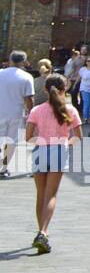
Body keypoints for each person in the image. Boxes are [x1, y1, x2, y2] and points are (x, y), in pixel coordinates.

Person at [26, 74, 83, 253]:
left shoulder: (36, 110)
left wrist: (42, 141)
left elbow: (28, 137)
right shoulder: (70, 110)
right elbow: (78, 137)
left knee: (41, 195)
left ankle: (41, 232)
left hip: (40, 150)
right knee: (51, 196)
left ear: (45, 90)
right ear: (64, 89)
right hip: (59, 150)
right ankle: (43, 232)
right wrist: (65, 143)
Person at [0, 51, 36, 180]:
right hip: (15, 112)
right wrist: (31, 113)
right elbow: (29, 98)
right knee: (12, 141)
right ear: (23, 62)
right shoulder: (26, 77)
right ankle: (3, 168)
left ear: (10, 59)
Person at [76, 52, 90, 127]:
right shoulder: (83, 69)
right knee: (87, 103)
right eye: (88, 61)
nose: (89, 62)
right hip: (85, 89)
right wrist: (75, 85)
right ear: (86, 62)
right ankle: (86, 118)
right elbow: (79, 78)